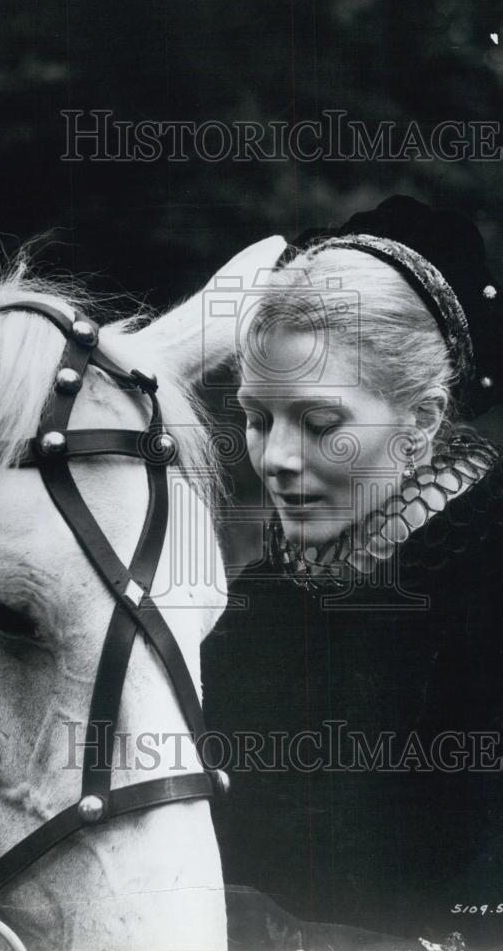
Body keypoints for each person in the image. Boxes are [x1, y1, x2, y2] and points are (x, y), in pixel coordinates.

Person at [202, 197, 503, 950]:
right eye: (258, 418)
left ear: (423, 421)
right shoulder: (239, 614)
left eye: (320, 423)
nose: (275, 459)